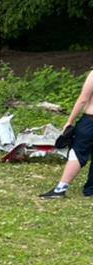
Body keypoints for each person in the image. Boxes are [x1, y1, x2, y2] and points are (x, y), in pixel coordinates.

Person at [40, 69, 93, 198]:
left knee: (77, 152)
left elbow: (83, 99)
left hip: (90, 121)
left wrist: (70, 121)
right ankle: (91, 189)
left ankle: (60, 189)